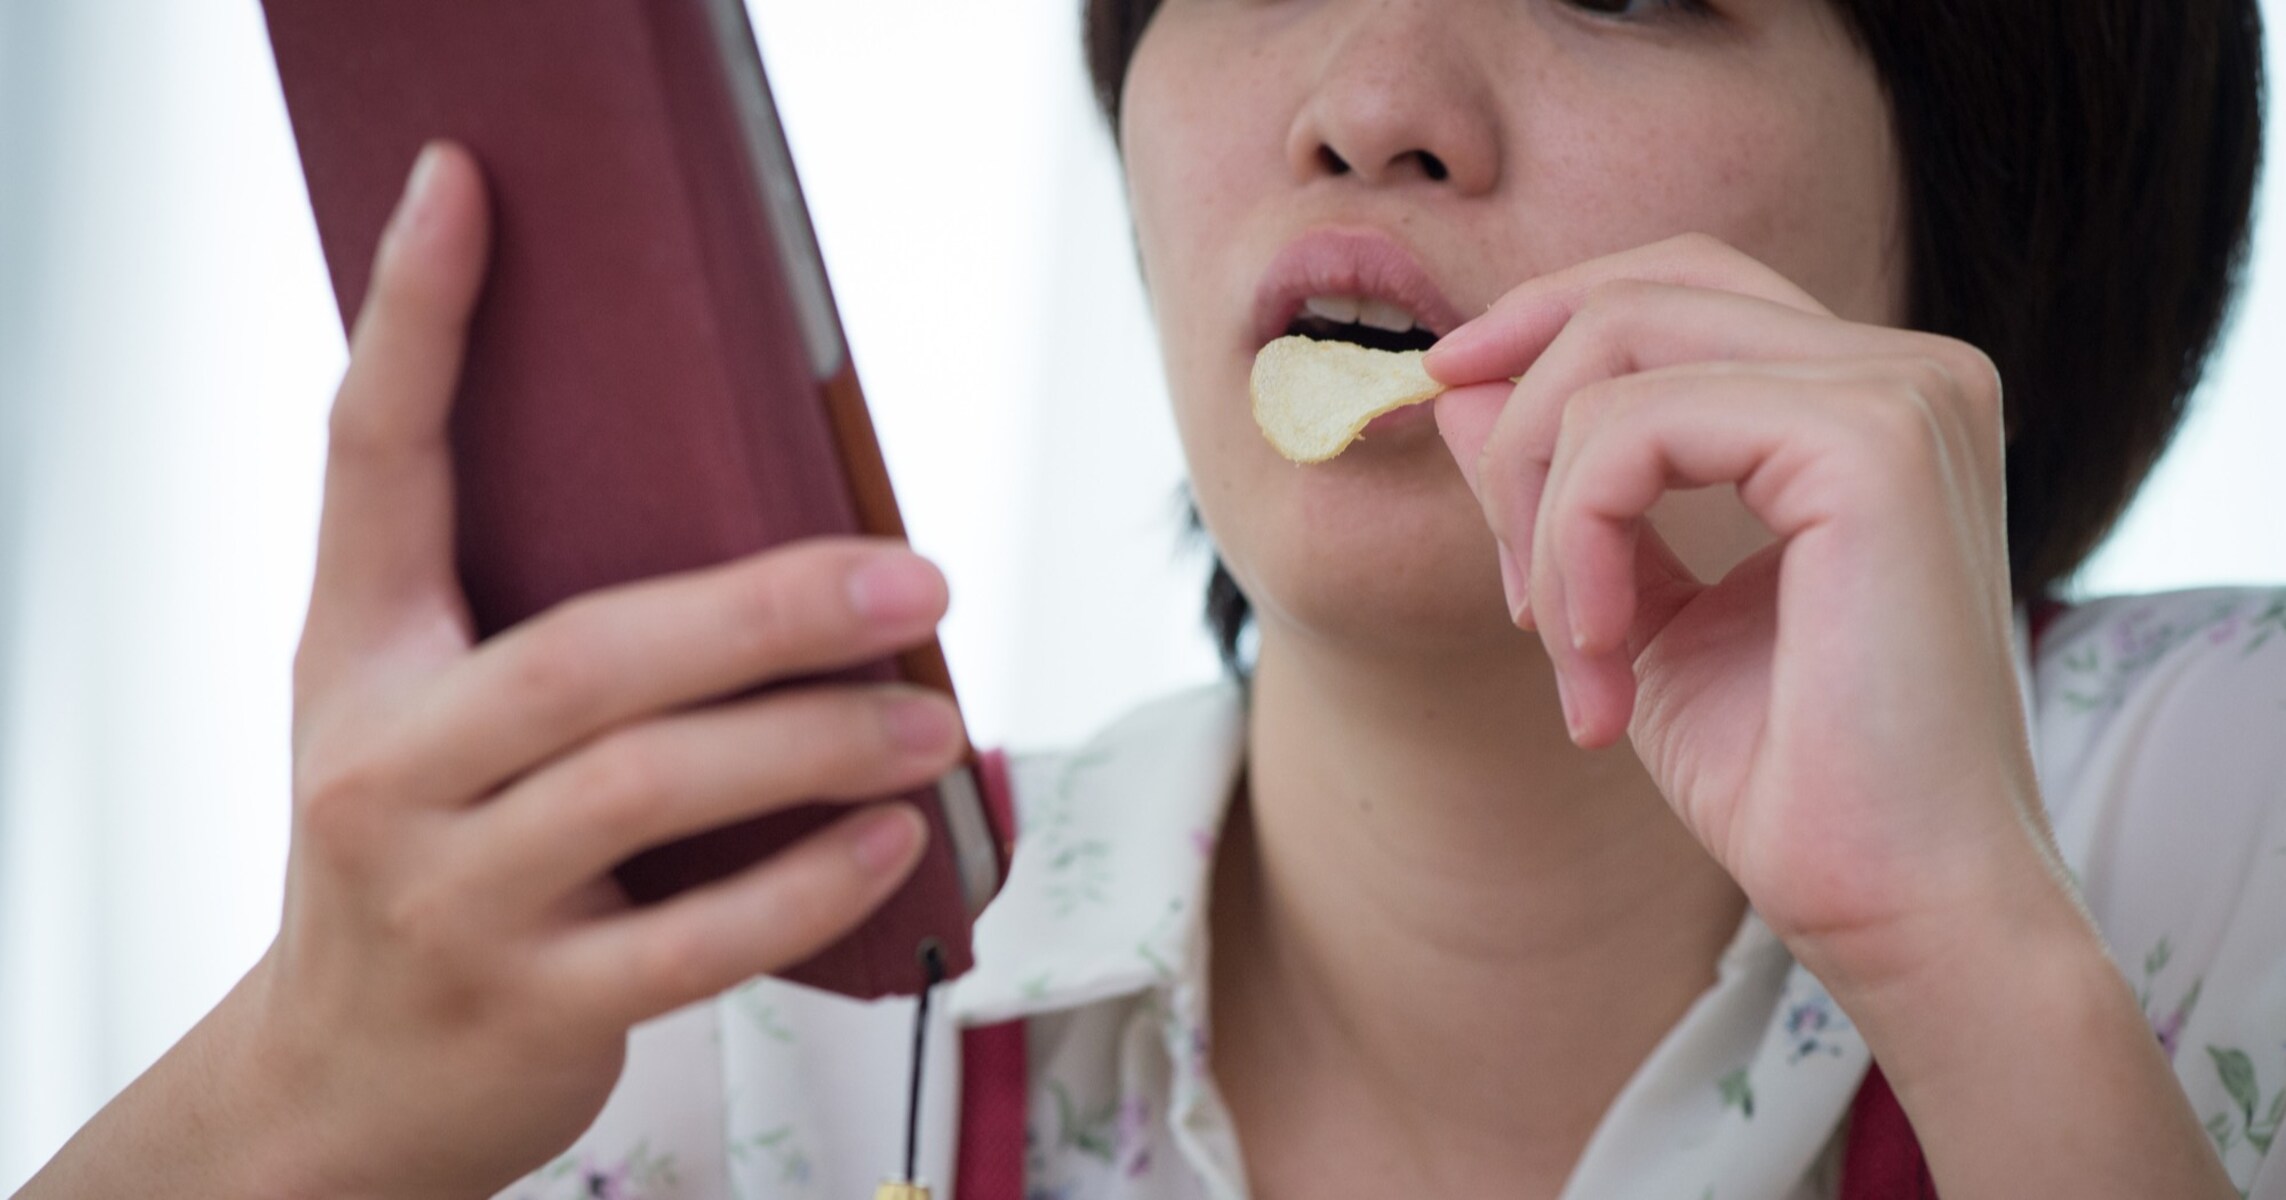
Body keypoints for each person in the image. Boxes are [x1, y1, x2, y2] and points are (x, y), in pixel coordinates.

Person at [18, 0, 2284, 1197]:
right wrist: (309, 1101)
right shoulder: (745, 1005)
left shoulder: (2231, 825)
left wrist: (1991, 986)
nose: (1373, 100)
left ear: (1989, 197)